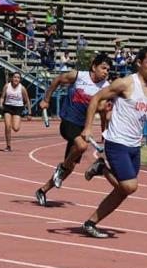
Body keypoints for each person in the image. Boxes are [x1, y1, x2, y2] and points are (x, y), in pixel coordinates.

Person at [79, 47, 147, 238]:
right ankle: (102, 168)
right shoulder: (125, 83)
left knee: (123, 191)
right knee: (130, 186)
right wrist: (88, 127)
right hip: (116, 142)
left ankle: (90, 223)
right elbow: (96, 98)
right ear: (139, 63)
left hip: (134, 146)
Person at [35, 54, 112, 206]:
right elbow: (57, 80)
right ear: (94, 67)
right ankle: (61, 168)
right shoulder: (78, 76)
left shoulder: (106, 87)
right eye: (103, 68)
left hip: (84, 129)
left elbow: (104, 115)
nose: (105, 72)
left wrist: (105, 137)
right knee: (82, 146)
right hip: (68, 122)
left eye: (108, 70)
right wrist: (46, 99)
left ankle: (42, 190)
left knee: (70, 167)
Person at [0, 72, 32, 152]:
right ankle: (8, 146)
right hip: (8, 107)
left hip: (18, 108)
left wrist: (29, 113)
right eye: (15, 77)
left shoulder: (22, 88)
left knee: (16, 128)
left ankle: (17, 121)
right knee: (7, 126)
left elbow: (27, 100)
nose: (16, 79)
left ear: (20, 80)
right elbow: (2, 97)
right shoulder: (7, 86)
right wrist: (0, 104)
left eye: (18, 78)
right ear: (12, 78)